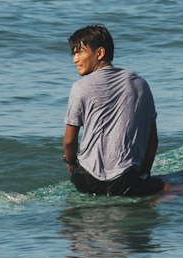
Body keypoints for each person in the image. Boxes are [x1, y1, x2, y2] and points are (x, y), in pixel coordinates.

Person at [63, 24, 164, 197]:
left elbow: (69, 141)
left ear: (100, 53)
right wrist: (144, 175)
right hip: (126, 182)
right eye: (74, 54)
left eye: (80, 52)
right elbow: (152, 139)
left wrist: (71, 162)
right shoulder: (140, 84)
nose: (75, 59)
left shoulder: (80, 88)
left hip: (87, 181)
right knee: (165, 188)